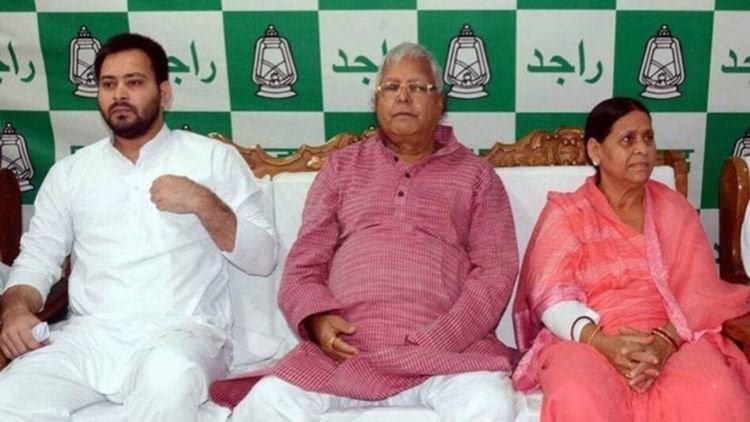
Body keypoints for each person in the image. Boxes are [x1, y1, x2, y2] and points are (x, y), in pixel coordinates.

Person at [210, 42, 519, 421]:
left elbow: (495, 272)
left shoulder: (476, 175)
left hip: (445, 354)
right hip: (344, 353)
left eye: (417, 87)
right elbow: (304, 267)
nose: (402, 96)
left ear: (440, 102)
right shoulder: (342, 168)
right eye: (391, 87)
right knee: (267, 402)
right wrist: (318, 320)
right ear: (377, 101)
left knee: (490, 403)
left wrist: (445, 336)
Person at [0, 33, 277, 421]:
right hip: (91, 338)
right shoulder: (71, 173)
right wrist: (15, 311)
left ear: (164, 93)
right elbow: (38, 259)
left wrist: (204, 202)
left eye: (134, 82)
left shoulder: (212, 159)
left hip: (183, 334)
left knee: (169, 384)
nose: (119, 94)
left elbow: (263, 258)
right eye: (108, 84)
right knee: (9, 396)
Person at [512, 97, 750, 421]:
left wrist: (664, 342)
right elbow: (551, 298)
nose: (642, 149)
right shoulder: (567, 213)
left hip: (674, 335)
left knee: (714, 390)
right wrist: (603, 343)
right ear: (595, 151)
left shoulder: (674, 209)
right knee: (577, 394)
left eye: (648, 138)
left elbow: (700, 294)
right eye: (628, 140)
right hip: (588, 341)